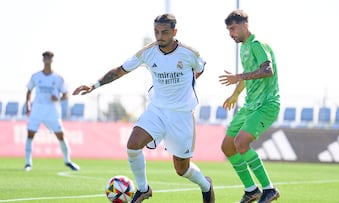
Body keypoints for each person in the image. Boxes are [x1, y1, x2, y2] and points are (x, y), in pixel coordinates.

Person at [72, 14, 215, 203]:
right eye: (157, 32)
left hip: (181, 115)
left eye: (164, 32)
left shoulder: (189, 53)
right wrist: (94, 85)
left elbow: (201, 67)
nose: (160, 36)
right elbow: (120, 70)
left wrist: (189, 83)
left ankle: (206, 185)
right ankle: (143, 189)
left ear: (174, 32)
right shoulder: (148, 52)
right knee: (133, 145)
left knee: (182, 169)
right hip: (157, 111)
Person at [218, 10, 280, 203]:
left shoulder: (257, 44)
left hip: (266, 104)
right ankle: (251, 190)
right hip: (250, 106)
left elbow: (266, 70)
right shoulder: (244, 48)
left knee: (241, 143)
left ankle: (269, 189)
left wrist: (238, 77)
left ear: (245, 25)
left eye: (233, 28)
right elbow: (248, 75)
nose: (231, 33)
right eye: (228, 29)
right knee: (227, 146)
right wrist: (235, 94)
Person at [24, 51, 80, 172]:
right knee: (30, 134)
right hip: (37, 110)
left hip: (52, 111)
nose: (47, 59)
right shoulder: (36, 76)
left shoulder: (58, 78)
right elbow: (29, 90)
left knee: (60, 135)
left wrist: (58, 97)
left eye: (49, 57)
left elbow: (66, 94)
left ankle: (68, 161)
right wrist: (28, 105)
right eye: (45, 57)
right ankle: (28, 163)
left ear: (52, 59)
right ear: (43, 59)